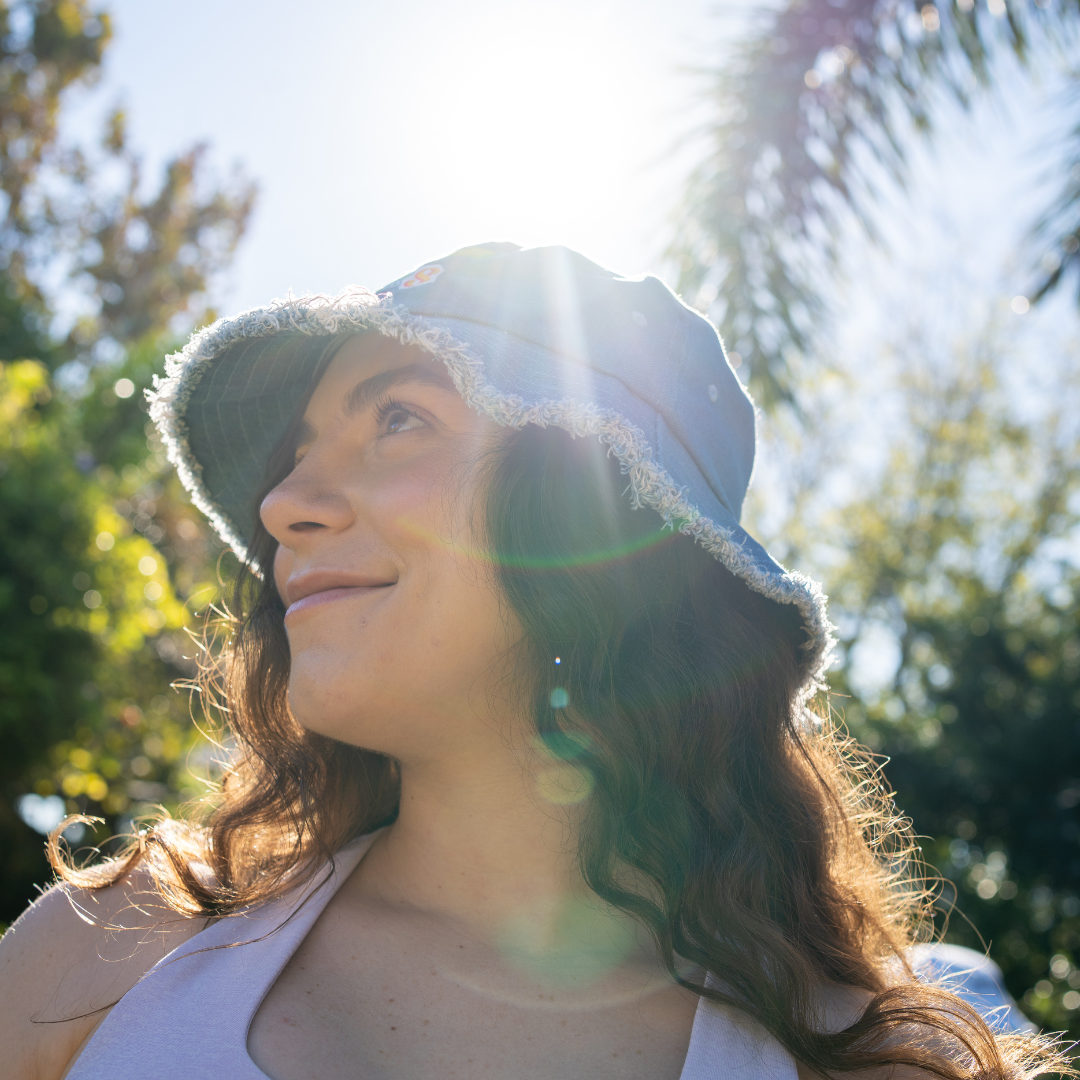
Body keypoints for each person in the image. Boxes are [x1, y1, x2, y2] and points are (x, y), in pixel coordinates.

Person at [0, 244, 1056, 1080]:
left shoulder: (868, 1066)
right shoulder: (111, 948)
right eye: (295, 454)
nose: (282, 506)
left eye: (399, 419)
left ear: (593, 530)